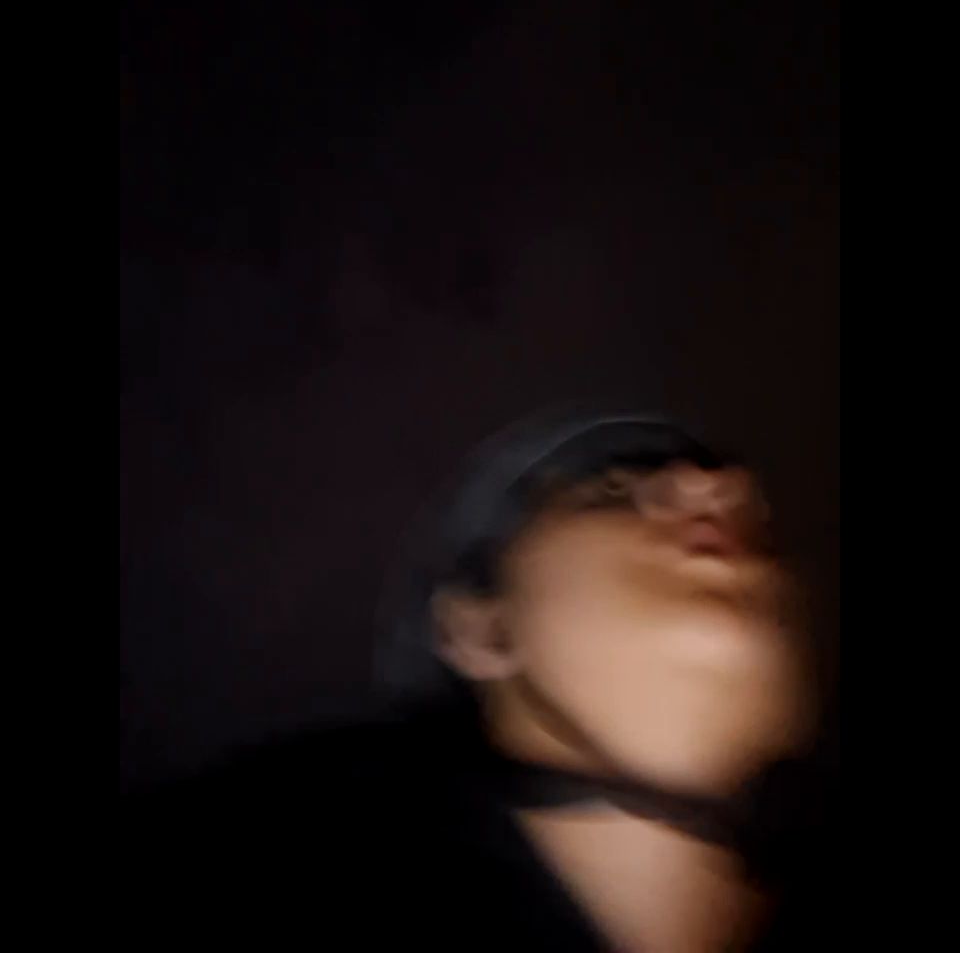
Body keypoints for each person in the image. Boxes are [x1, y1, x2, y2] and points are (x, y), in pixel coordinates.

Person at [125, 407, 822, 952]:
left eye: (757, 528)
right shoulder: (240, 868)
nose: (721, 486)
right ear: (481, 631)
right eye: (610, 491)